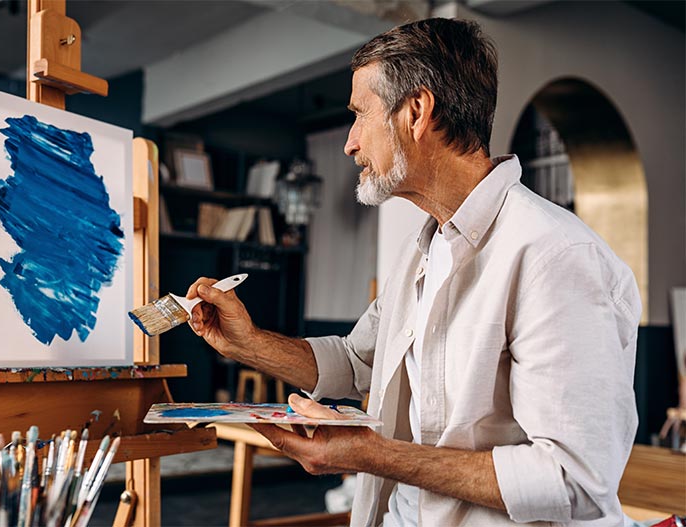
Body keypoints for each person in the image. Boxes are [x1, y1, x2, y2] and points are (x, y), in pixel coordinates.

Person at [185, 18, 641, 526]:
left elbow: (574, 479)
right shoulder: (423, 247)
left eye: (360, 115)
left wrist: (369, 454)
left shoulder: (555, 255)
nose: (350, 143)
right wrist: (248, 344)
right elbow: (358, 362)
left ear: (417, 112)